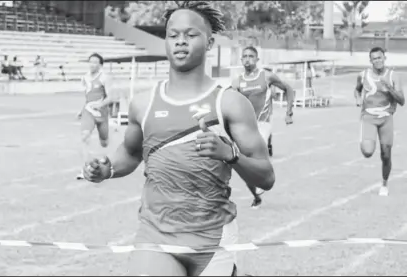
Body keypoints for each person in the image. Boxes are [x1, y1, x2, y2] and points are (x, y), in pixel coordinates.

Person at [82, 2, 275, 276]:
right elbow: (131, 153)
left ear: (209, 43)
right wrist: (107, 169)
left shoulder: (230, 104)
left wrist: (230, 154)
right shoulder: (143, 103)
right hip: (156, 234)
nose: (180, 41)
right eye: (173, 35)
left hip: (213, 238)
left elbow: (266, 177)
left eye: (190, 34)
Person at [232, 46, 295, 209]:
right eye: (244, 56)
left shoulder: (266, 76)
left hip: (263, 123)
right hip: (244, 126)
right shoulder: (237, 81)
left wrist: (289, 112)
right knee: (245, 167)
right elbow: (232, 104)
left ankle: (264, 169)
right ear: (241, 60)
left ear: (257, 59)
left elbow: (288, 89)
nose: (247, 59)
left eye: (251, 56)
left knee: (255, 151)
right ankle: (256, 196)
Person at [354, 47, 404, 197]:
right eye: (374, 58)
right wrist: (357, 98)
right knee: (368, 152)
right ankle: (366, 141)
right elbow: (357, 89)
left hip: (386, 118)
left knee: (386, 155)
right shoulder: (363, 75)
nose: (378, 61)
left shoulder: (393, 76)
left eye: (380, 57)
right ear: (371, 61)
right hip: (368, 117)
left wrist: (388, 87)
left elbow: (402, 101)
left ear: (384, 58)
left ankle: (384, 184)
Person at [76, 53, 117, 180]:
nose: (92, 64)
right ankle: (86, 168)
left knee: (104, 142)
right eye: (90, 62)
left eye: (95, 62)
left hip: (101, 113)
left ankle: (108, 160)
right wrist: (81, 109)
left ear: (100, 65)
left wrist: (101, 105)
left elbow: (111, 97)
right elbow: (87, 95)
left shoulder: (105, 78)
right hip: (88, 111)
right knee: (85, 136)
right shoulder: (85, 78)